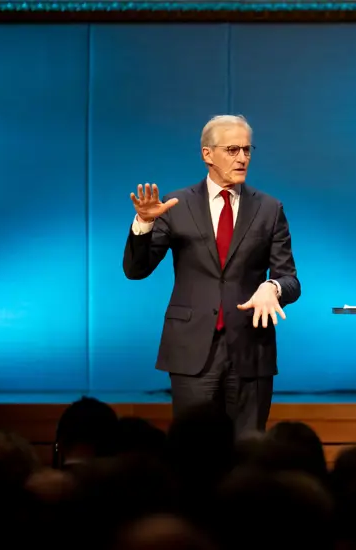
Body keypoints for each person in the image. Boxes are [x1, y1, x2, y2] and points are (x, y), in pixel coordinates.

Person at [123, 114, 300, 434]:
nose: (242, 158)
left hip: (250, 348)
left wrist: (272, 287)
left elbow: (290, 280)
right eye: (232, 150)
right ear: (208, 154)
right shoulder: (176, 205)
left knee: (248, 450)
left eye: (247, 149)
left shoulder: (269, 209)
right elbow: (136, 270)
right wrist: (145, 224)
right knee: (195, 449)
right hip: (192, 349)